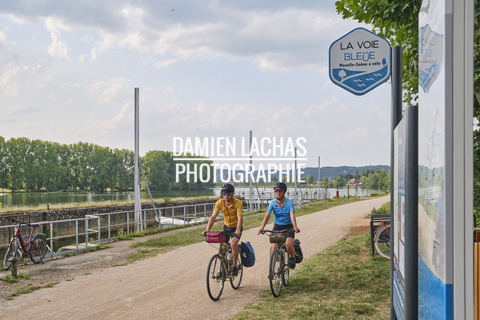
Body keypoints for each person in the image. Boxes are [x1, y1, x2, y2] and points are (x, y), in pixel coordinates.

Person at [203, 183, 243, 276]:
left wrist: (238, 230)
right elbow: (213, 216)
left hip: (236, 227)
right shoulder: (219, 203)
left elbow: (240, 217)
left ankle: (234, 266)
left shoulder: (238, 203)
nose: (226, 196)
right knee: (223, 247)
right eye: (224, 193)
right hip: (226, 227)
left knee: (233, 244)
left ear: (232, 193)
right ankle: (224, 268)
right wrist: (207, 229)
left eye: (228, 194)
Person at [257, 181, 300, 269]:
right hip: (277, 227)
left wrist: (295, 226)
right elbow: (267, 215)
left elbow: (292, 215)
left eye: (280, 191)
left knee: (288, 244)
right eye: (276, 191)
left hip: (288, 226)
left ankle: (292, 257)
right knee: (274, 247)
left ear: (284, 192)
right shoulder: (273, 203)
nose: (278, 193)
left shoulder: (289, 202)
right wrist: (262, 227)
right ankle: (271, 269)